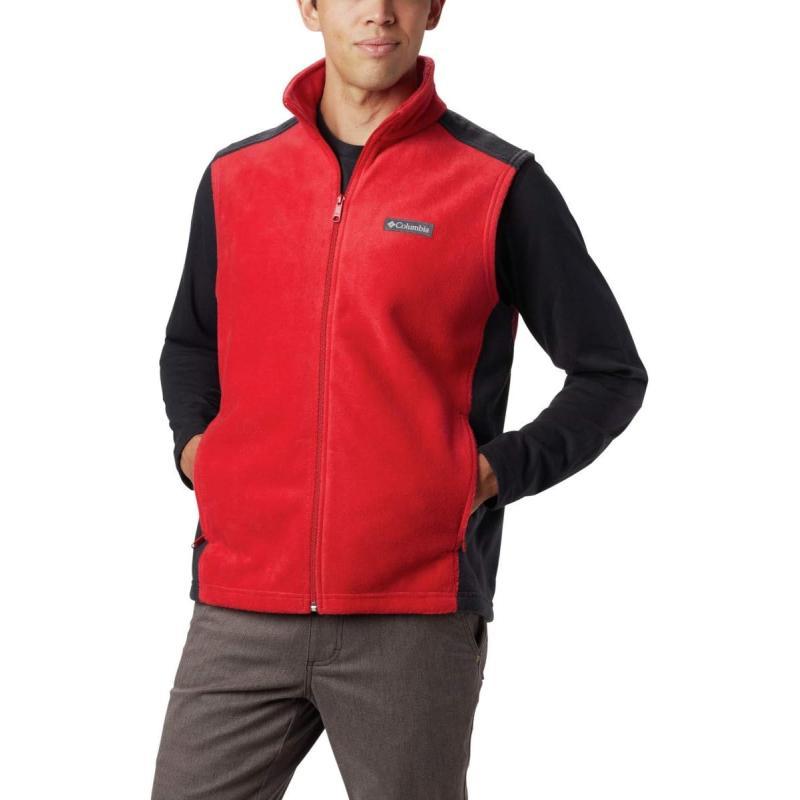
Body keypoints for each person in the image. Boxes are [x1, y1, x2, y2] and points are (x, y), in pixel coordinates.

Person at [151, 1, 649, 797]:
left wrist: (487, 474)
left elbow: (610, 373)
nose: (378, 12)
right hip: (241, 602)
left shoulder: (497, 185)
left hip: (412, 615)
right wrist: (197, 453)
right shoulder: (234, 179)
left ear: (434, 8)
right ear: (310, 7)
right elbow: (190, 344)